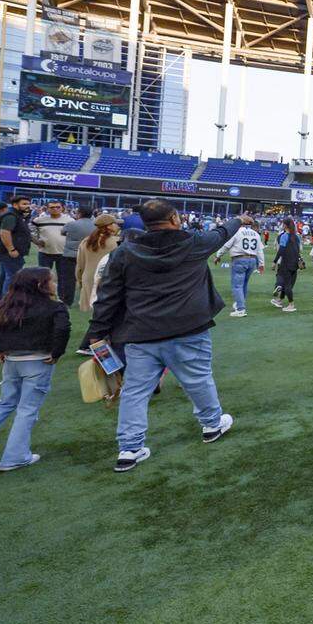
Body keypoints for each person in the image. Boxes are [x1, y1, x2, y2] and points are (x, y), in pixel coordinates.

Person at [87, 200, 246, 472]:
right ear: (174, 217)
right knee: (197, 380)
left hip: (140, 331)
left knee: (135, 391)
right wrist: (240, 220)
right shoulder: (193, 243)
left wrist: (96, 333)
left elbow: (108, 296)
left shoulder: (125, 252)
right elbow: (223, 233)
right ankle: (211, 424)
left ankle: (130, 448)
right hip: (187, 329)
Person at [0, 267, 70, 472]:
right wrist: (56, 353)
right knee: (27, 409)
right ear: (41, 285)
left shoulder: (4, 306)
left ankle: (15, 454)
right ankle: (14, 456)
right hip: (38, 362)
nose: (55, 284)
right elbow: (62, 329)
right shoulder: (54, 307)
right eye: (52, 281)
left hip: (12, 362)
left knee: (4, 404)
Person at [214, 216, 264, 317]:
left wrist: (218, 255)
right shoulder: (256, 234)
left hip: (240, 259)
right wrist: (261, 264)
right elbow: (260, 250)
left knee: (237, 285)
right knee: (244, 284)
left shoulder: (237, 232)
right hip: (252, 260)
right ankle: (239, 303)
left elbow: (227, 245)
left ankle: (240, 309)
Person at [76, 214, 120, 313]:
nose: (118, 226)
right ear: (109, 226)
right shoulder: (117, 242)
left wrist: (80, 281)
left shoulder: (86, 241)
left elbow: (80, 265)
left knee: (90, 316)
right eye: (116, 224)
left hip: (88, 279)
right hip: (109, 280)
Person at [0, 196, 33, 300]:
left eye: (28, 204)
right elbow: (4, 233)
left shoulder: (16, 215)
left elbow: (21, 232)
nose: (27, 206)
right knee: (13, 277)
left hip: (5, 251)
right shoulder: (11, 215)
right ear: (15, 205)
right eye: (24, 204)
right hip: (8, 252)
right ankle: (7, 304)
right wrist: (11, 249)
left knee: (3, 276)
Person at [31, 200, 73, 292]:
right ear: (47, 209)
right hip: (45, 253)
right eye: (52, 207)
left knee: (63, 278)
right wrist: (36, 242)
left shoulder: (70, 221)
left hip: (63, 254)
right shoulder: (39, 220)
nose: (55, 209)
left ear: (62, 208)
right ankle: (44, 297)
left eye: (58, 207)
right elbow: (29, 231)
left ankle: (62, 299)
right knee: (43, 277)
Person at [59, 206, 95, 307]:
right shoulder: (96, 226)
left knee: (69, 279)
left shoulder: (72, 224)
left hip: (71, 254)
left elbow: (62, 232)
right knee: (88, 278)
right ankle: (88, 300)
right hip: (88, 255)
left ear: (79, 213)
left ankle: (67, 301)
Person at [271, 218, 302, 313]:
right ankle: (280, 300)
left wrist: (275, 261)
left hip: (286, 262)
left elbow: (281, 250)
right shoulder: (296, 236)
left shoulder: (284, 236)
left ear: (285, 225)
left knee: (287, 284)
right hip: (295, 263)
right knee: (288, 284)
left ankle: (291, 304)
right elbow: (299, 250)